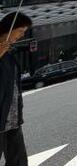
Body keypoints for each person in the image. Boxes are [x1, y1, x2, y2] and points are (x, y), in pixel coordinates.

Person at [0, 13, 31, 166]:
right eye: (21, 30)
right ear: (9, 28)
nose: (22, 34)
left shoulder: (10, 52)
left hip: (11, 118)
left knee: (19, 161)